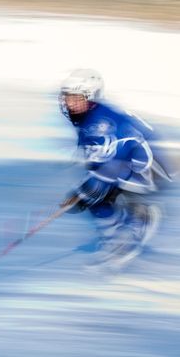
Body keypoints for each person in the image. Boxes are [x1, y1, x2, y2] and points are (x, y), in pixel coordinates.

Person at [58, 69, 173, 269]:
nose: (71, 103)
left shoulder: (101, 124)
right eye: (68, 98)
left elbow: (112, 165)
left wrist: (85, 191)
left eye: (77, 98)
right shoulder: (90, 117)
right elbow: (100, 162)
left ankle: (136, 225)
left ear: (91, 97)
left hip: (150, 165)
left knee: (95, 195)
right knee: (93, 195)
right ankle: (119, 234)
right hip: (131, 161)